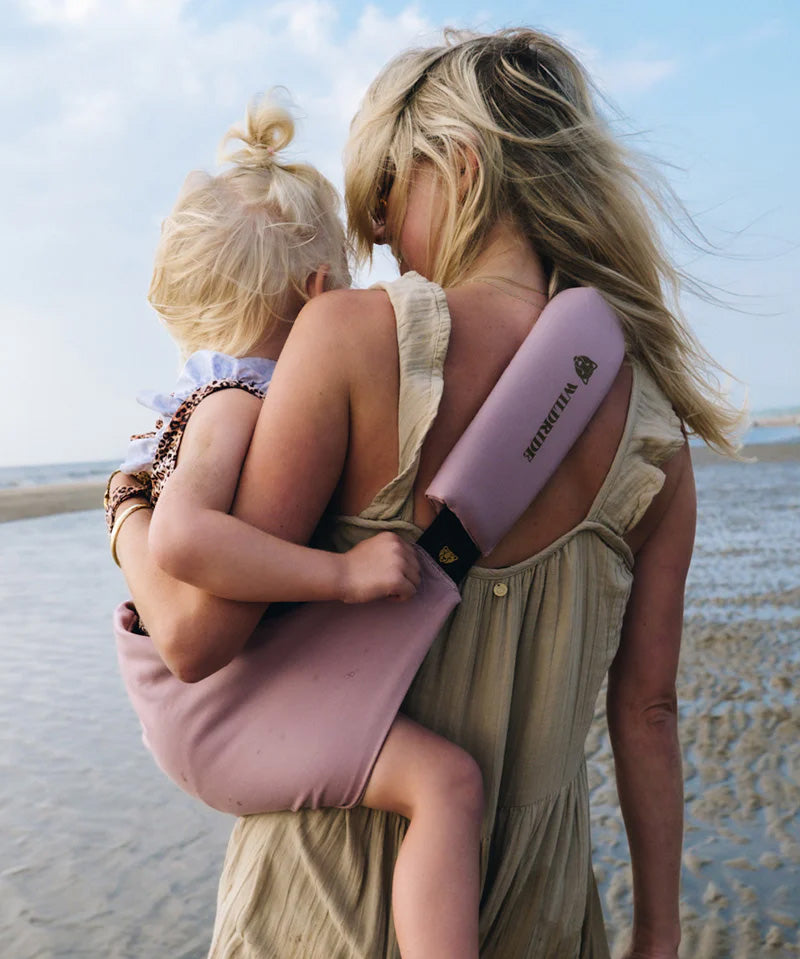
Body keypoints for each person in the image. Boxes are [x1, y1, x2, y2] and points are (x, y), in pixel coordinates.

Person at [111, 27, 742, 959]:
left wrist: (127, 512)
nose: (377, 239)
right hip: (544, 908)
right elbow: (648, 709)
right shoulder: (656, 429)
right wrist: (657, 930)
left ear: (458, 161)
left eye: (381, 198)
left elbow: (200, 634)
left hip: (328, 899)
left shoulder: (350, 340)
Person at [109, 98, 485, 958]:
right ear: (318, 295)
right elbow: (184, 542)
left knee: (443, 780)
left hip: (205, 700)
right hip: (211, 708)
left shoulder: (216, 404)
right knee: (446, 781)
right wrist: (341, 578)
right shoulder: (236, 406)